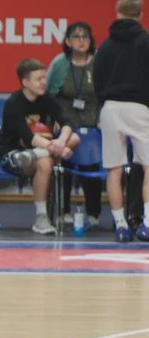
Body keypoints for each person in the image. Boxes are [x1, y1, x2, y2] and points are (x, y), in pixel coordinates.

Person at [0, 58, 80, 236]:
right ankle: (42, 218)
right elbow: (28, 137)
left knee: (74, 139)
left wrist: (61, 141)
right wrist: (57, 149)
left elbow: (67, 121)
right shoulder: (13, 103)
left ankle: (38, 154)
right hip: (14, 153)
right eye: (38, 79)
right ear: (25, 82)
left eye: (44, 78)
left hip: (42, 149)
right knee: (46, 162)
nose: (43, 82)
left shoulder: (46, 98)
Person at [93, 0, 149, 243]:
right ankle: (147, 224)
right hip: (140, 107)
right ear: (141, 15)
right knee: (148, 167)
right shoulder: (146, 42)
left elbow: (97, 82)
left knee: (114, 170)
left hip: (111, 108)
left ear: (117, 14)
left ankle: (121, 226)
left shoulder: (105, 46)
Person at [46, 21, 102, 230]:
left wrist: (101, 118)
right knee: (64, 166)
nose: (81, 41)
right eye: (76, 37)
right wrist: (52, 120)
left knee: (91, 165)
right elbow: (49, 94)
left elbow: (105, 93)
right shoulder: (60, 63)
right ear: (68, 41)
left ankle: (94, 213)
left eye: (85, 36)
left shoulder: (98, 62)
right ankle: (63, 211)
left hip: (91, 124)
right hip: (65, 124)